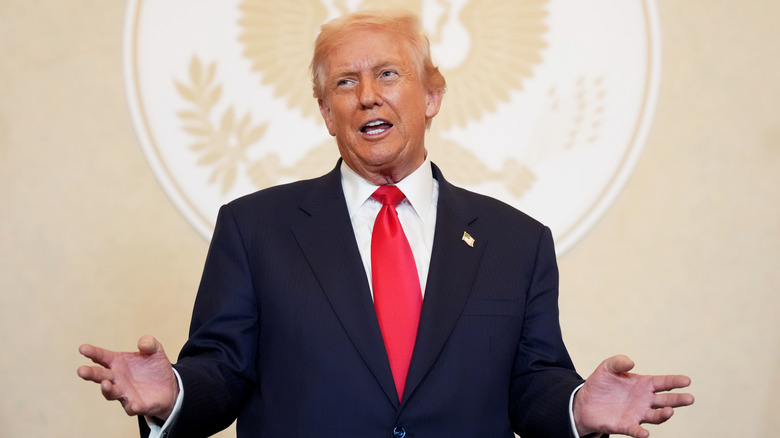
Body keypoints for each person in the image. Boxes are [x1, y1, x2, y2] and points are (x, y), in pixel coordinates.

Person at [78, 10, 693, 438]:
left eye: (387, 74)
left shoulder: (518, 241)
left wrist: (577, 406)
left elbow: (532, 385)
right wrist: (174, 394)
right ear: (326, 113)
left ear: (431, 95)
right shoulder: (253, 228)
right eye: (346, 82)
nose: (367, 95)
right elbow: (223, 370)